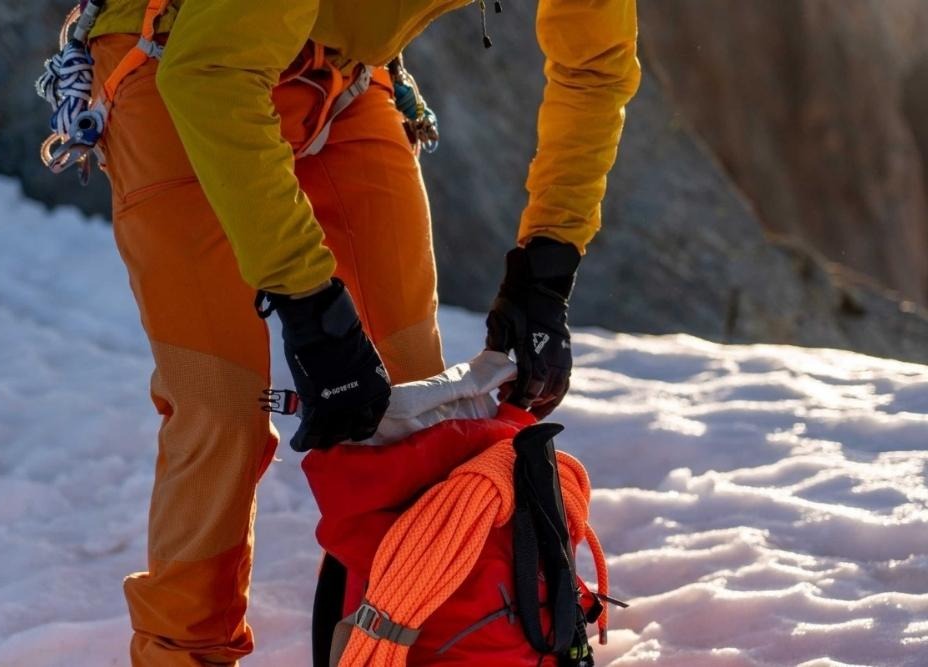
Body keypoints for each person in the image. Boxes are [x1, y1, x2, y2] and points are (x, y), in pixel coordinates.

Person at [81, 0, 640, 664]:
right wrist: (309, 299)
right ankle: (183, 654)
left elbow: (595, 64)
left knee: (412, 402)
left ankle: (396, 641)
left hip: (339, 78)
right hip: (178, 57)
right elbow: (210, 74)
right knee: (221, 407)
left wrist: (548, 267)